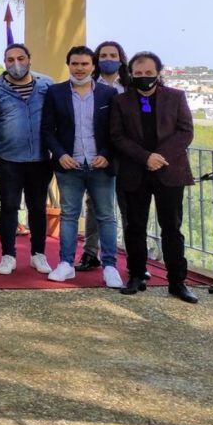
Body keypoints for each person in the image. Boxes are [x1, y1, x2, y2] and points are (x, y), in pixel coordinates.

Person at [111, 52, 198, 303]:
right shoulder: (122, 101)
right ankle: (137, 275)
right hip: (134, 172)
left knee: (172, 228)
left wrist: (159, 156)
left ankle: (177, 282)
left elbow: (185, 132)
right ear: (131, 74)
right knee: (134, 227)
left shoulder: (176, 97)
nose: (143, 78)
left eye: (148, 73)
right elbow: (117, 136)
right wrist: (145, 157)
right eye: (138, 74)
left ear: (158, 73)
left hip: (169, 171)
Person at [40, 46, 122, 288]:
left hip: (100, 165)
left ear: (93, 66)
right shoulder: (56, 93)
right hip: (70, 165)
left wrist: (107, 155)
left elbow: (115, 131)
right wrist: (60, 153)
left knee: (106, 216)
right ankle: (66, 263)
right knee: (69, 216)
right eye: (75, 64)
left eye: (85, 64)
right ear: (69, 65)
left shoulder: (109, 94)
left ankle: (109, 266)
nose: (79, 68)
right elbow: (47, 129)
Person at [0, 43, 54, 276]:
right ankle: (8, 255)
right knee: (9, 207)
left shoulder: (46, 85)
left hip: (40, 158)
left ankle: (38, 254)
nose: (16, 64)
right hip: (9, 158)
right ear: (5, 63)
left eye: (20, 58)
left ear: (29, 59)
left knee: (37, 207)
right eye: (10, 60)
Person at [75, 39, 131, 272]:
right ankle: (91, 253)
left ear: (121, 58)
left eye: (113, 55)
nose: (109, 59)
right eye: (104, 55)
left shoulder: (129, 86)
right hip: (99, 155)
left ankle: (134, 257)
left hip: (127, 155)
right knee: (95, 206)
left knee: (128, 206)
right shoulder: (89, 84)